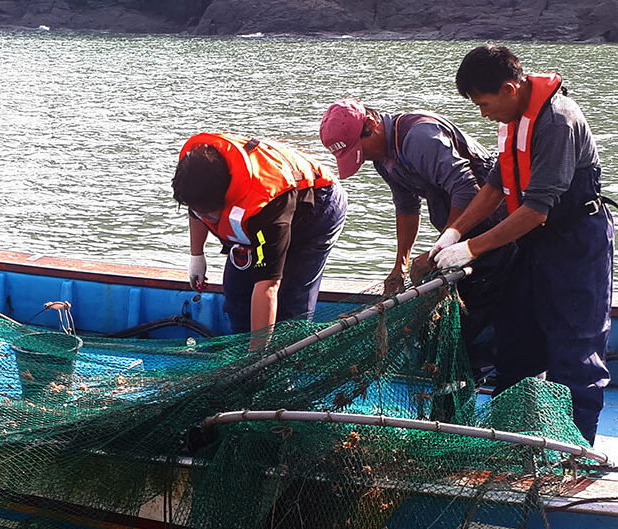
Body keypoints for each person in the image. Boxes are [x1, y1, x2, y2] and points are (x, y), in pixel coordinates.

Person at [431, 45, 613, 444]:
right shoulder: (516, 120)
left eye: (484, 103)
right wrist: (454, 232)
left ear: (511, 89)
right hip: (533, 246)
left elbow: (534, 211)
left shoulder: (556, 122)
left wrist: (471, 249)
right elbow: (496, 185)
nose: (482, 113)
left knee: (575, 349)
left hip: (576, 244)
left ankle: (574, 454)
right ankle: (511, 441)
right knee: (515, 339)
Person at [318, 98, 513, 366]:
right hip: (457, 232)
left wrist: (439, 250)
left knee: (486, 315)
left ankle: (488, 372)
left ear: (372, 125)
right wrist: (400, 265)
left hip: (494, 226)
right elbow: (407, 207)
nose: (363, 159)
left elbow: (468, 190)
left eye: (359, 150)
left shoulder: (420, 137)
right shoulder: (382, 157)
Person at [173, 132, 346, 338]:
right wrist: (197, 255)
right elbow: (196, 208)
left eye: (210, 215)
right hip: (255, 206)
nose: (206, 220)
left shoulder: (267, 209)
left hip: (315, 209)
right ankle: (242, 349)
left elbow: (268, 286)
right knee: (237, 295)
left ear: (228, 201)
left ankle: (280, 358)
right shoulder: (196, 172)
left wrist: (257, 361)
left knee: (289, 305)